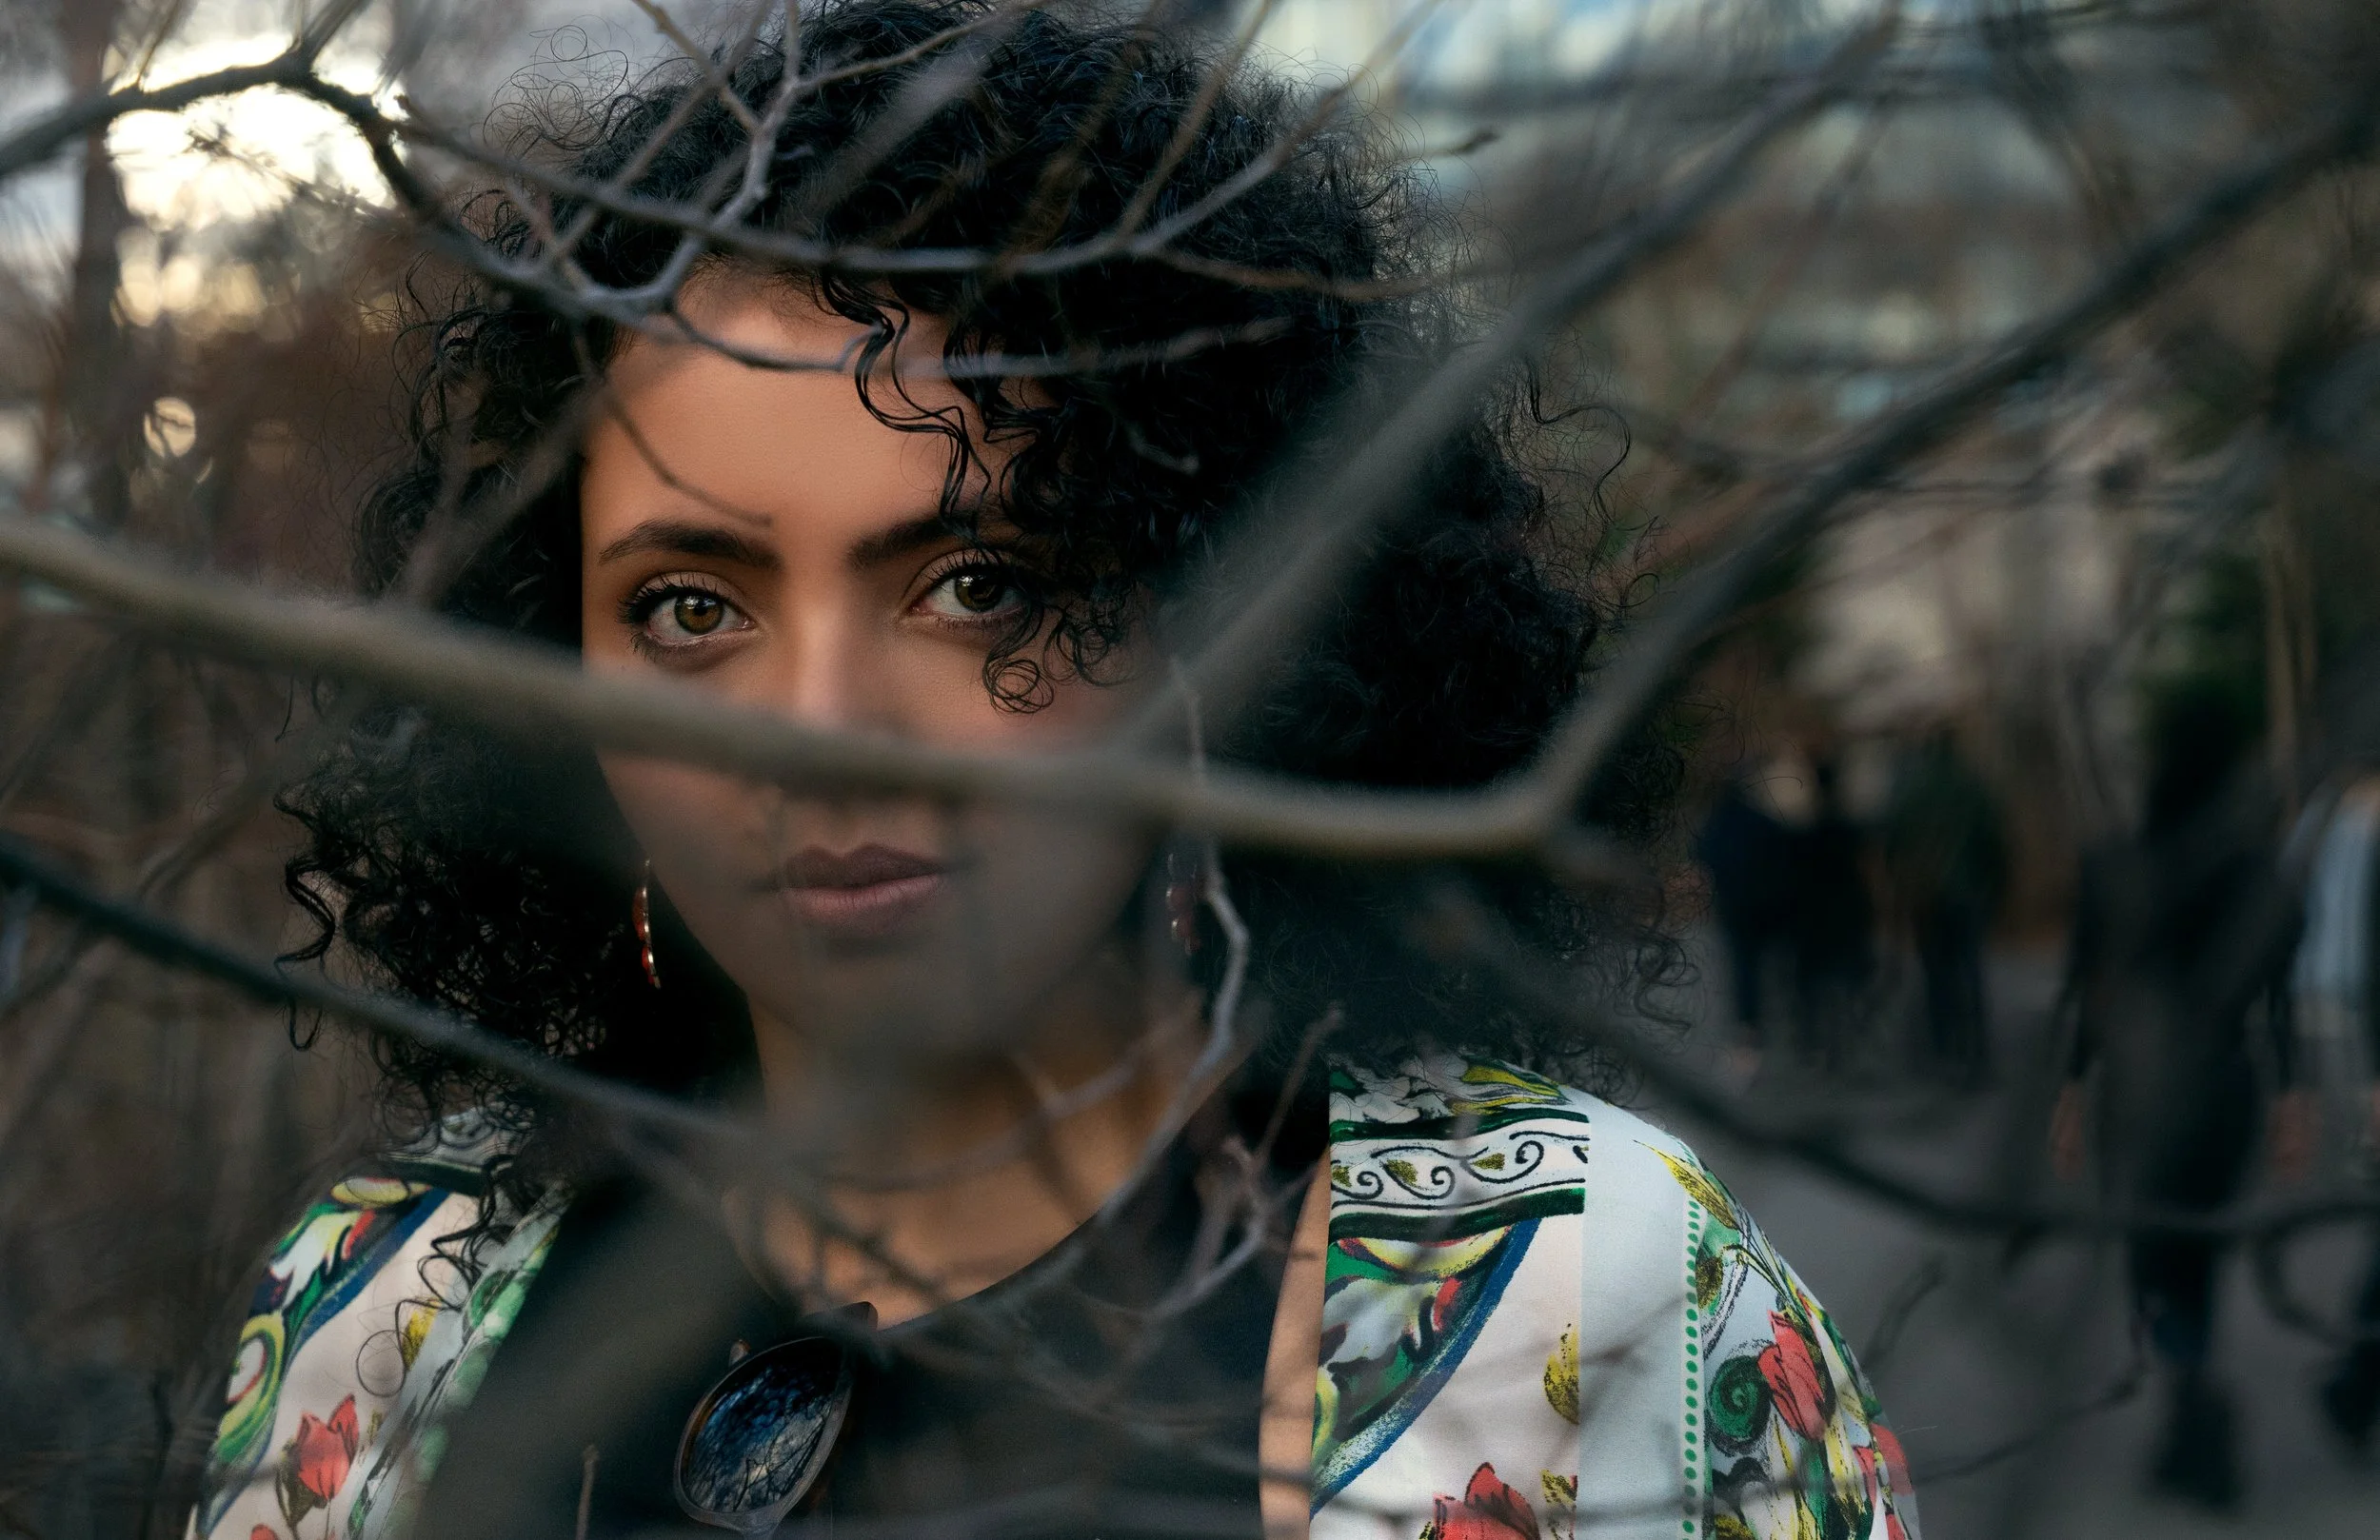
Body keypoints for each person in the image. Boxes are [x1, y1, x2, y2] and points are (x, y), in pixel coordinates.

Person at [186, 9, 1918, 1540]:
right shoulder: (383, 1310)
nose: (817, 727)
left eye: (981, 585)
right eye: (691, 604)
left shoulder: (1587, 1298)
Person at [2049, 693, 2307, 1510]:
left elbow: (2089, 995)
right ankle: (2191, 1415)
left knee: (2149, 1262)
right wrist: (2293, 1097)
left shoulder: (2114, 864)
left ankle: (2192, 1412)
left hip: (2139, 1088)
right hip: (2226, 1088)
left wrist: (2070, 1092)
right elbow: (2283, 1000)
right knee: (2199, 1257)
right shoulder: (2260, 873)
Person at [1879, 732, 2006, 1085]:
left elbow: (1890, 836)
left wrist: (1902, 883)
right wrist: (1993, 889)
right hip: (1967, 894)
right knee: (1970, 972)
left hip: (1926, 895)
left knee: (1936, 974)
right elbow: (1994, 841)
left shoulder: (1913, 789)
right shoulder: (1971, 788)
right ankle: (1977, 1052)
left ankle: (1942, 1048)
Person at [1695, 775, 1792, 1071]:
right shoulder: (1758, 820)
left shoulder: (1717, 824)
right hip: (1762, 905)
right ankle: (1766, 1019)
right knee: (1764, 964)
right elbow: (1782, 847)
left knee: (1744, 967)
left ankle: (1750, 1023)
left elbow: (1701, 854)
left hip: (1736, 907)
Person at [1789, 759, 1875, 1068]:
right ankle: (1844, 1041)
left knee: (1813, 988)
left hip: (1815, 918)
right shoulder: (1848, 830)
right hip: (1845, 915)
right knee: (1847, 983)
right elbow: (1864, 873)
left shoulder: (1806, 832)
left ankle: (1819, 1044)